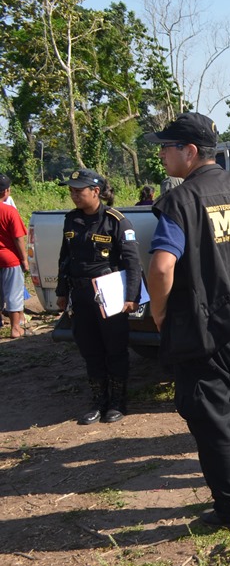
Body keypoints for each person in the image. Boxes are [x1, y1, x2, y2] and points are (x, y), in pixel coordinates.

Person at [145, 112, 230, 528]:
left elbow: (162, 268)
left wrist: (159, 313)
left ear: (190, 152)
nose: (162, 155)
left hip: (202, 328)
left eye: (166, 148)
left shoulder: (180, 200)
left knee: (211, 419)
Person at [55, 169, 141, 425]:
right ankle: (98, 401)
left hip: (109, 295)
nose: (74, 195)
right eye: (71, 191)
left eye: (78, 191)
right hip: (80, 295)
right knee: (89, 349)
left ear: (95, 191)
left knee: (114, 349)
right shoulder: (71, 220)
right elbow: (65, 258)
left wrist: (131, 296)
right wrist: (62, 291)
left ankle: (117, 402)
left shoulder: (116, 221)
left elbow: (132, 262)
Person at [0, 196, 28, 338]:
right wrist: (24, 259)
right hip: (9, 258)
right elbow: (18, 238)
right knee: (13, 293)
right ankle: (15, 329)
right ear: (6, 191)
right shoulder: (9, 211)